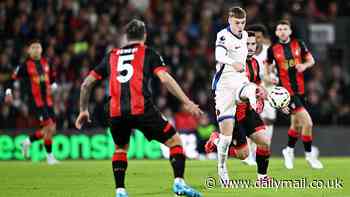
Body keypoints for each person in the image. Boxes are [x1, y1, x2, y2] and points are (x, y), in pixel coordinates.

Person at [75, 19, 203, 197]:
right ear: (145, 36)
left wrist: (83, 110)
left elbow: (86, 84)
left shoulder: (111, 55)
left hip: (116, 111)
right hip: (141, 108)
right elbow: (165, 79)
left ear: (126, 37)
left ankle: (120, 191)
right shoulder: (148, 53)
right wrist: (187, 101)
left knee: (120, 148)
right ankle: (179, 183)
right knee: (174, 141)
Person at [206, 32, 272, 182]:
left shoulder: (255, 63)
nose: (250, 47)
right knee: (243, 154)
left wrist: (267, 96)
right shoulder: (233, 65)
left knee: (265, 143)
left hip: (248, 111)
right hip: (234, 113)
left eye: (253, 44)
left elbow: (257, 85)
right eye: (247, 44)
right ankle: (217, 140)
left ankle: (262, 178)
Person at [212, 6, 264, 185]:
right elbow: (218, 55)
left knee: (248, 88)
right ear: (229, 20)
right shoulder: (223, 35)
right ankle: (222, 168)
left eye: (243, 22)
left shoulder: (244, 36)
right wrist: (232, 62)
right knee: (226, 140)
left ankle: (254, 102)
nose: (240, 26)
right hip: (224, 88)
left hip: (239, 82)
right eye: (237, 22)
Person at [265, 20, 323, 169]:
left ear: (290, 31)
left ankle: (288, 151)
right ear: (277, 33)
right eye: (279, 29)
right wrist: (270, 76)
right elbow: (267, 70)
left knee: (296, 125)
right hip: (287, 93)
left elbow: (311, 60)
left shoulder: (299, 44)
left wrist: (304, 65)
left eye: (285, 28)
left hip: (301, 91)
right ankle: (309, 156)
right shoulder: (273, 49)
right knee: (308, 123)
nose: (282, 31)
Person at [4, 40, 59, 165]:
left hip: (48, 101)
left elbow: (52, 78)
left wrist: (54, 85)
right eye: (33, 47)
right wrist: (8, 92)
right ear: (29, 51)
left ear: (41, 50)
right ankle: (49, 157)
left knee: (52, 129)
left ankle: (27, 142)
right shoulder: (24, 65)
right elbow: (11, 79)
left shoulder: (46, 63)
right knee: (49, 127)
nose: (36, 49)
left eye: (38, 47)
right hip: (36, 102)